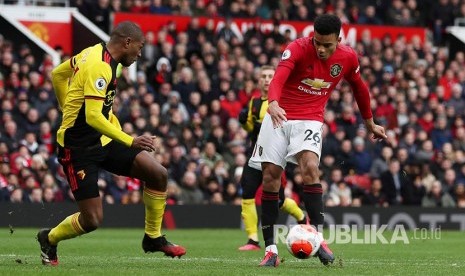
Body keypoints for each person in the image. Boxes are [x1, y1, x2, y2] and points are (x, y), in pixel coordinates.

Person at [37, 21, 186, 266]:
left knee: (158, 174)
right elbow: (93, 116)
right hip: (78, 148)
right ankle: (49, 238)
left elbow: (57, 74)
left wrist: (66, 106)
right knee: (92, 220)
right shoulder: (100, 66)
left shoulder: (93, 54)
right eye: (139, 47)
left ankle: (153, 237)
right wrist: (131, 140)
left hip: (103, 139)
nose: (140, 54)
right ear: (127, 42)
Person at [249, 14, 387, 267]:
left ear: (339, 40)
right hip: (278, 115)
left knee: (311, 168)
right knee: (270, 177)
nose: (321, 49)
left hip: (310, 119)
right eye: (317, 43)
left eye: (327, 45)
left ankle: (320, 240)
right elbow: (279, 78)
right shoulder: (297, 48)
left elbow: (360, 88)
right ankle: (270, 250)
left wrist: (369, 123)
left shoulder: (347, 57)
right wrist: (274, 104)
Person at [238, 65, 306, 251]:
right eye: (263, 76)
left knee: (280, 201)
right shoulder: (254, 102)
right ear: (258, 80)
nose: (267, 79)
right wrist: (244, 122)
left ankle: (301, 217)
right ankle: (252, 240)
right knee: (247, 193)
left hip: (275, 157)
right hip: (255, 155)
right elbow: (251, 130)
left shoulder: (281, 100)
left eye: (270, 76)